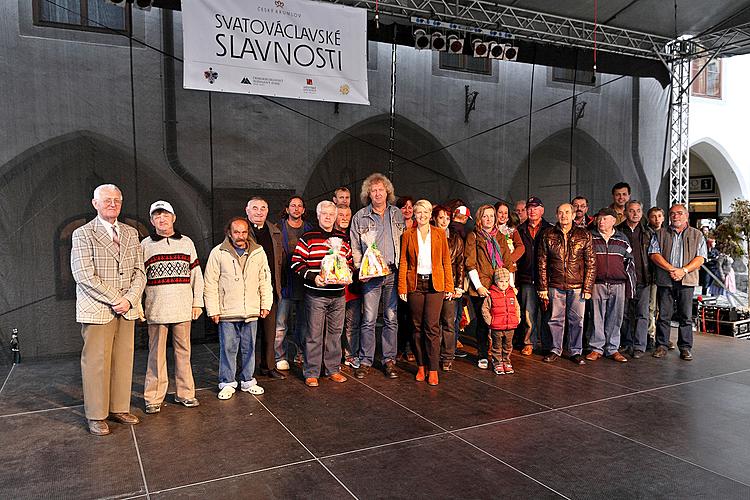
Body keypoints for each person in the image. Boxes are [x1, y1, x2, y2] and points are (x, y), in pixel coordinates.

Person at [71, 184, 146, 436]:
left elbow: (140, 272)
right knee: (96, 362)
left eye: (116, 200)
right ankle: (96, 414)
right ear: (95, 204)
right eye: (106, 200)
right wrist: (117, 299)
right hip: (98, 308)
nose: (112, 204)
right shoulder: (83, 234)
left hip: (126, 308)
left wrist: (130, 299)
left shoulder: (130, 233)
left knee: (123, 359)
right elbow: (83, 275)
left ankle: (119, 408)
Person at [141, 200, 204, 414]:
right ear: (152, 221)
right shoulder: (145, 245)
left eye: (165, 215)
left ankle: (185, 393)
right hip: (156, 309)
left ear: (173, 218)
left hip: (182, 308)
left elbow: (196, 275)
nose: (162, 219)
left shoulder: (186, 242)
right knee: (155, 355)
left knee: (183, 352)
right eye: (157, 216)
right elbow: (139, 279)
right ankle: (153, 398)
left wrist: (197, 303)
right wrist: (139, 307)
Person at [204, 217, 272, 400]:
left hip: (251, 309)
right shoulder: (218, 252)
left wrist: (265, 304)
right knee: (228, 348)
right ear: (229, 232)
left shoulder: (258, 252)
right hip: (227, 311)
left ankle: (248, 380)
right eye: (236, 232)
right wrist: (213, 309)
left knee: (249, 348)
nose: (240, 236)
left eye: (244, 232)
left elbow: (265, 279)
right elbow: (210, 283)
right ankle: (227, 382)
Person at [349, 173, 406, 379]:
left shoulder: (397, 214)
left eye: (381, 189)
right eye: (373, 190)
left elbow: (405, 241)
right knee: (369, 318)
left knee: (391, 318)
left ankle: (389, 360)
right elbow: (355, 246)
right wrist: (359, 270)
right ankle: (365, 361)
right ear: (368, 194)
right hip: (370, 276)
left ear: (387, 192)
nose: (378, 193)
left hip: (393, 272)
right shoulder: (360, 216)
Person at [291, 201, 353, 387]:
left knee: (335, 334)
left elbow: (349, 262)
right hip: (316, 294)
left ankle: (333, 369)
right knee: (314, 334)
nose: (327, 217)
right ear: (318, 216)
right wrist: (313, 277)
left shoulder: (342, 239)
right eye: (324, 213)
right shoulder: (308, 237)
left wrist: (347, 273)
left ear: (335, 217)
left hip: (338, 295)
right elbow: (296, 263)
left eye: (331, 214)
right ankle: (311, 372)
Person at [398, 200, 454, 386]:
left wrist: (449, 286)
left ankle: (433, 368)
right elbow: (404, 262)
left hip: (434, 284)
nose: (422, 215)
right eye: (418, 212)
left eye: (425, 212)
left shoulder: (439, 234)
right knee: (416, 327)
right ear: (414, 214)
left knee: (432, 327)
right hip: (414, 284)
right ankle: (421, 365)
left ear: (431, 215)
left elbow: (446, 262)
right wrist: (402, 287)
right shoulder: (407, 235)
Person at [537, 203, 595, 365]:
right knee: (555, 319)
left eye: (567, 212)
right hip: (555, 285)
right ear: (556, 215)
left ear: (573, 214)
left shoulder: (584, 234)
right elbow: (542, 262)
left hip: (577, 286)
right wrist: (542, 287)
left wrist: (588, 287)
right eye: (561, 212)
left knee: (577, 320)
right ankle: (555, 349)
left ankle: (576, 351)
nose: (564, 215)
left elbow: (591, 263)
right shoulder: (548, 234)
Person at [649, 204, 707, 361]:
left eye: (679, 213)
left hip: (687, 280)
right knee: (664, 315)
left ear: (686, 216)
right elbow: (654, 254)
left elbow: (701, 258)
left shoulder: (697, 235)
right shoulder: (660, 233)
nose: (675, 216)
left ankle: (685, 348)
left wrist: (684, 271)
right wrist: (671, 269)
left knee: (686, 316)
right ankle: (661, 345)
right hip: (665, 280)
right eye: (672, 214)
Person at [465, 204, 513, 369]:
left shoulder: (500, 236)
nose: (489, 219)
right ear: (479, 218)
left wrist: (510, 286)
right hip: (483, 287)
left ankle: (500, 357)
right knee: (484, 323)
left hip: (501, 287)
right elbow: (470, 264)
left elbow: (508, 263)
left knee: (501, 324)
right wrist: (478, 286)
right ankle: (483, 354)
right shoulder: (473, 236)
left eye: (491, 216)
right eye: (485, 216)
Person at [246, 197, 286, 380]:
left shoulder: (275, 231)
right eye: (255, 208)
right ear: (247, 211)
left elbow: (280, 259)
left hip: (269, 289)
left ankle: (268, 366)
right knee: (249, 334)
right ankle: (247, 371)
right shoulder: (240, 231)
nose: (259, 212)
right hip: (248, 291)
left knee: (270, 331)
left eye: (263, 208)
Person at [587, 208, 635, 363]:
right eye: (599, 219)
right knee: (596, 317)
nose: (601, 222)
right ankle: (596, 348)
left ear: (614, 221)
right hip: (597, 283)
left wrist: (630, 287)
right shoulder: (590, 237)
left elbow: (630, 263)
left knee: (616, 317)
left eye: (605, 219)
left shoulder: (623, 239)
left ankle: (612, 348)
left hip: (618, 283)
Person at [276, 196, 313, 370]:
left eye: (300, 206)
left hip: (305, 283)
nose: (296, 209)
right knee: (281, 324)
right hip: (285, 282)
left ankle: (300, 353)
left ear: (304, 210)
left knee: (304, 324)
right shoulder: (277, 229)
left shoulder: (310, 229)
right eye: (293, 205)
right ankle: (279, 356)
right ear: (287, 209)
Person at [515, 197, 553, 355]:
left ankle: (547, 344)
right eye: (529, 208)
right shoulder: (519, 229)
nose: (532, 211)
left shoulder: (550, 229)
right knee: (528, 313)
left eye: (535, 208)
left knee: (548, 313)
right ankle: (529, 342)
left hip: (547, 278)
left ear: (542, 210)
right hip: (526, 277)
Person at [617, 201, 653, 358]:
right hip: (623, 279)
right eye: (631, 211)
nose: (635, 214)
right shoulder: (618, 231)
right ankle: (626, 342)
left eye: (638, 210)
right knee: (623, 313)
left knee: (642, 314)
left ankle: (639, 346)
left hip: (643, 279)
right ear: (625, 212)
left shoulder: (648, 232)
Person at [433, 204, 465, 371]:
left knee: (448, 322)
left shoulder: (456, 238)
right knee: (433, 323)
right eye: (441, 217)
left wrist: (458, 286)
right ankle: (434, 354)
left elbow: (460, 263)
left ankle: (447, 356)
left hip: (450, 284)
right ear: (435, 218)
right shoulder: (428, 236)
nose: (444, 221)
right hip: (432, 285)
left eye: (447, 218)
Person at [336, 204, 362, 368]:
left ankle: (351, 355)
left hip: (353, 289)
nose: (345, 218)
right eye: (341, 215)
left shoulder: (355, 235)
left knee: (352, 323)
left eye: (347, 215)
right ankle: (334, 357)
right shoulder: (330, 237)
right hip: (336, 289)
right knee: (335, 326)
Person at [482, 267, 520, 376]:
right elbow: (485, 308)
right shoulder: (491, 294)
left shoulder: (512, 293)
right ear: (496, 281)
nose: (504, 284)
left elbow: (517, 307)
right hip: (496, 326)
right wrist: (490, 321)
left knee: (508, 345)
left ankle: (506, 361)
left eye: (506, 281)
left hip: (510, 325)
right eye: (501, 281)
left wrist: (517, 318)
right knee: (496, 345)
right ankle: (497, 362)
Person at [396, 195, 416, 361]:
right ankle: (399, 347)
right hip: (398, 272)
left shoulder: (419, 226)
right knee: (398, 313)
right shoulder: (395, 226)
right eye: (404, 207)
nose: (408, 210)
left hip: (414, 275)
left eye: (410, 207)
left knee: (412, 313)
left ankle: (409, 347)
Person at [646, 206, 665, 348]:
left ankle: (662, 337)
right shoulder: (646, 233)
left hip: (665, 275)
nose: (657, 219)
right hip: (651, 275)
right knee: (651, 307)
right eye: (654, 216)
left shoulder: (668, 233)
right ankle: (650, 335)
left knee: (663, 308)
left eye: (659, 216)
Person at [495, 200, 525, 288]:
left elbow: (521, 247)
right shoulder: (490, 229)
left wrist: (510, 259)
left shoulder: (511, 230)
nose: (503, 215)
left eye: (505, 213)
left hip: (509, 269)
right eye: (500, 212)